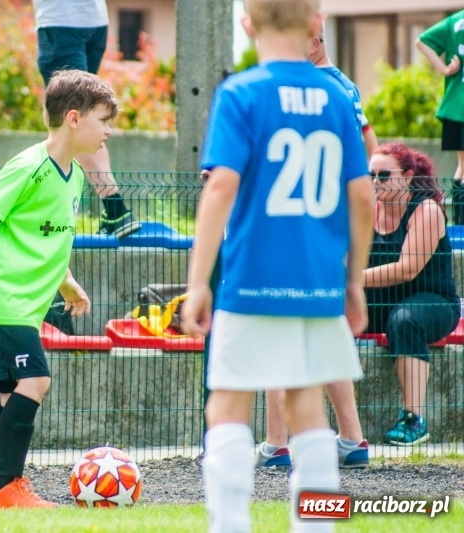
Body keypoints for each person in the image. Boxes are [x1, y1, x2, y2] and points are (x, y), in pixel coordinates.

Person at [180, 0, 373, 530]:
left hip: (251, 284)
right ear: (315, 25)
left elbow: (220, 186)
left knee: (226, 409)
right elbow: (361, 197)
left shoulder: (240, 93)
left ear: (247, 25)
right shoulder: (339, 98)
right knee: (309, 411)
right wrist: (354, 279)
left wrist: (199, 282)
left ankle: (229, 525)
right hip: (317, 285)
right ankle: (317, 525)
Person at [0, 70, 110, 508]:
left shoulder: (75, 176)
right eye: (103, 119)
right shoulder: (29, 166)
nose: (108, 130)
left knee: (10, 393)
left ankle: (1, 489)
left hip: (23, 305)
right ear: (74, 118)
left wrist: (67, 283)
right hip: (0, 296)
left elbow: (48, 237)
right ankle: (7, 488)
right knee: (36, 380)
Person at [257, 20, 378, 470]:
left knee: (276, 330)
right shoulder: (342, 86)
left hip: (288, 226)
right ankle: (352, 437)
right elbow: (369, 148)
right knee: (322, 331)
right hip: (331, 226)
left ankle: (278, 444)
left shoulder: (285, 86)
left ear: (311, 42)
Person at [365, 142, 460, 446]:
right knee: (327, 310)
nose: (375, 182)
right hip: (382, 299)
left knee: (404, 320)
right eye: (371, 175)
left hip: (433, 301)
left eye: (383, 175)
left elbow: (407, 269)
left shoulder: (426, 210)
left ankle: (413, 419)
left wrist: (351, 280)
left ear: (407, 177)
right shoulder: (367, 211)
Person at [32, 0, 141, 238]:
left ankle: (115, 210)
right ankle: (104, 210)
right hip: (94, 21)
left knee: (72, 119)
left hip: (60, 22)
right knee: (66, 112)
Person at [416, 11, 464, 224]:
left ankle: (460, 224)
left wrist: (444, 69)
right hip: (457, 106)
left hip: (454, 105)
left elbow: (422, 41)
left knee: (462, 166)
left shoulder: (455, 20)